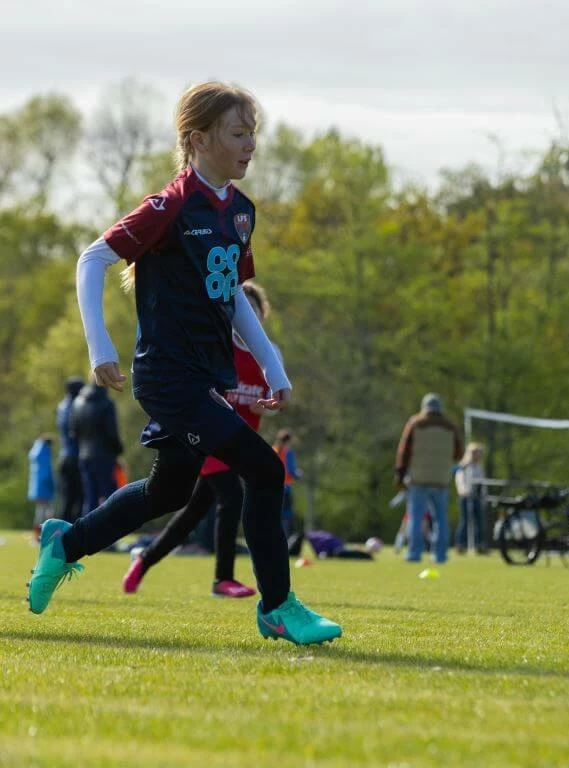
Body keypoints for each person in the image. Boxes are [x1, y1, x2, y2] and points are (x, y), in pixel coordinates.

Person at [27, 81, 341, 646]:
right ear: (198, 140)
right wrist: (100, 349)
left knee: (169, 492)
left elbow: (234, 298)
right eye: (238, 134)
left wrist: (273, 367)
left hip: (204, 379)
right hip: (169, 377)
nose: (250, 146)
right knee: (265, 470)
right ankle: (277, 606)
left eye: (253, 134)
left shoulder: (240, 213)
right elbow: (92, 258)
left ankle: (65, 543)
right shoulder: (170, 205)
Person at [122, 281, 276, 599]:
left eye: (254, 308)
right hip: (210, 438)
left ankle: (144, 560)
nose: (248, 314)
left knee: (192, 512)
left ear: (261, 313)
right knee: (232, 497)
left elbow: (274, 400)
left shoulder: (269, 355)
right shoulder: (220, 348)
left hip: (240, 445)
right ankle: (223, 580)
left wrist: (270, 401)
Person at [394, 392, 462, 564]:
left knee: (416, 518)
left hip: (418, 478)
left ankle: (414, 553)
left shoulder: (415, 423)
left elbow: (403, 452)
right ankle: (440, 555)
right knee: (441, 519)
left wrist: (400, 475)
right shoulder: (450, 426)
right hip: (441, 479)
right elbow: (458, 453)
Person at [69, 378, 124, 517]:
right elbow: (111, 433)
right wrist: (118, 451)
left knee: (90, 498)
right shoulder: (106, 404)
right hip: (104, 456)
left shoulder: (77, 402)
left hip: (84, 455)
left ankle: (87, 536)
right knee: (111, 496)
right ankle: (111, 535)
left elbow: (73, 433)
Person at [55, 377, 85, 523]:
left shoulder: (61, 406)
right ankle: (74, 535)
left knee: (67, 499)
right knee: (80, 498)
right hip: (77, 458)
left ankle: (60, 535)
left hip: (64, 457)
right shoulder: (77, 406)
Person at [454, 442, 485, 554]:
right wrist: (465, 492)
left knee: (479, 522)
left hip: (477, 497)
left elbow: (482, 483)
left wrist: (483, 495)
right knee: (465, 521)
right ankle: (460, 545)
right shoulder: (463, 466)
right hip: (465, 497)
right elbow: (460, 481)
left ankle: (480, 545)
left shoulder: (479, 468)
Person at [273, 428, 303, 538]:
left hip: (273, 488)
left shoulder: (273, 450)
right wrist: (299, 474)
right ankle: (285, 541)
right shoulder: (288, 452)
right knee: (286, 516)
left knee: (275, 515)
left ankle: (274, 538)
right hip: (285, 488)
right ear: (288, 440)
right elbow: (291, 471)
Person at [28, 435, 56, 543]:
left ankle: (36, 536)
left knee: (40, 511)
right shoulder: (44, 452)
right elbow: (46, 473)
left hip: (37, 487)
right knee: (46, 512)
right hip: (45, 486)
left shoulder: (36, 452)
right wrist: (52, 485)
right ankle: (43, 537)